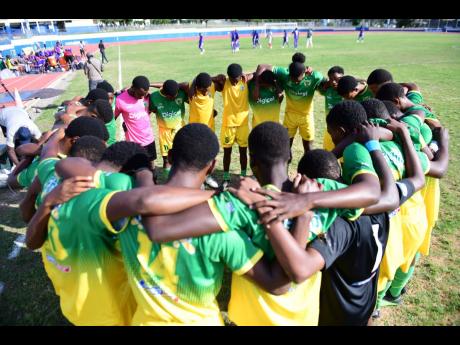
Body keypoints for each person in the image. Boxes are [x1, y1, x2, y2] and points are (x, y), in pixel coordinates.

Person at [143, 122, 373, 326]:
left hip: (250, 318)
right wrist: (308, 202)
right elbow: (374, 193)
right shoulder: (318, 190)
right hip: (303, 317)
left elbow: (161, 228)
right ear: (290, 157)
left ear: (252, 162)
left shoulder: (240, 202)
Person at [114, 123, 295, 325]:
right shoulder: (220, 228)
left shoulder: (125, 210)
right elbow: (276, 284)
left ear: (170, 157)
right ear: (212, 166)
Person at [255, 60, 325, 153]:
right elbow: (262, 65)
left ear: (304, 73)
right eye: (292, 78)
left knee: (308, 147)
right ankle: (284, 167)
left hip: (306, 117)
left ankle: (307, 167)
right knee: (285, 148)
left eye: (298, 79)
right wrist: (256, 81)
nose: (295, 81)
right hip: (290, 116)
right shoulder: (284, 73)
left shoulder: (315, 76)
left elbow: (327, 85)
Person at [212, 64, 253, 184]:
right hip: (228, 124)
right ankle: (225, 176)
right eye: (232, 80)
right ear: (228, 77)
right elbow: (207, 79)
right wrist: (217, 77)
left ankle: (243, 174)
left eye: (237, 79)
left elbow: (258, 72)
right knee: (227, 152)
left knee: (243, 151)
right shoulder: (224, 83)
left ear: (241, 76)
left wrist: (248, 75)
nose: (235, 82)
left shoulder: (245, 81)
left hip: (243, 124)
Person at [115, 76, 157, 172]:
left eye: (145, 94)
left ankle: (153, 179)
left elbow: (146, 111)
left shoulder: (146, 96)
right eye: (140, 94)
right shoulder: (120, 100)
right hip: (134, 142)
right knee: (136, 168)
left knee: (151, 163)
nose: (142, 97)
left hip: (149, 137)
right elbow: (113, 118)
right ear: (133, 88)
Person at [149, 79, 187, 173]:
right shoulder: (154, 97)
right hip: (164, 132)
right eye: (171, 97)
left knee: (182, 156)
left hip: (180, 130)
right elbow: (152, 110)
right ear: (165, 94)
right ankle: (168, 180)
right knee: (166, 159)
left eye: (175, 96)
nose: (174, 98)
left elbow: (188, 86)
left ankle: (180, 178)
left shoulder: (181, 93)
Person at [317, 66, 344, 151]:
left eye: (337, 79)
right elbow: (319, 85)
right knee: (328, 154)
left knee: (343, 158)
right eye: (331, 79)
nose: (334, 82)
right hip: (330, 130)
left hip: (344, 131)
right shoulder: (328, 90)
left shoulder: (348, 91)